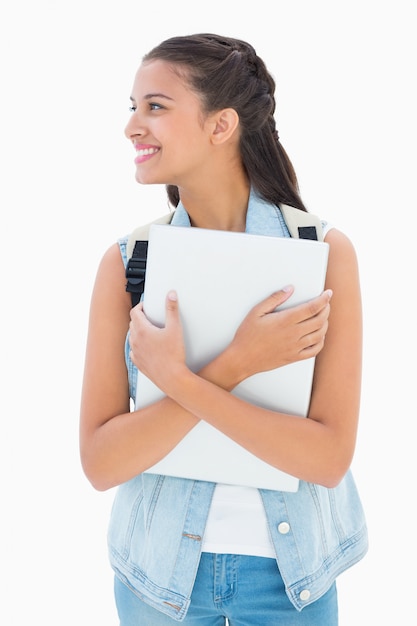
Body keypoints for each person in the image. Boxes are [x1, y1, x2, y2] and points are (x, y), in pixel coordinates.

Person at [79, 33, 368, 625]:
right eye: (132, 107)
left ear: (222, 125)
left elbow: (327, 458)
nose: (133, 126)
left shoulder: (322, 255)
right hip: (158, 582)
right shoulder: (128, 264)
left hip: (290, 585)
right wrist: (235, 363)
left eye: (155, 106)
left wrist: (179, 379)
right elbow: (102, 462)